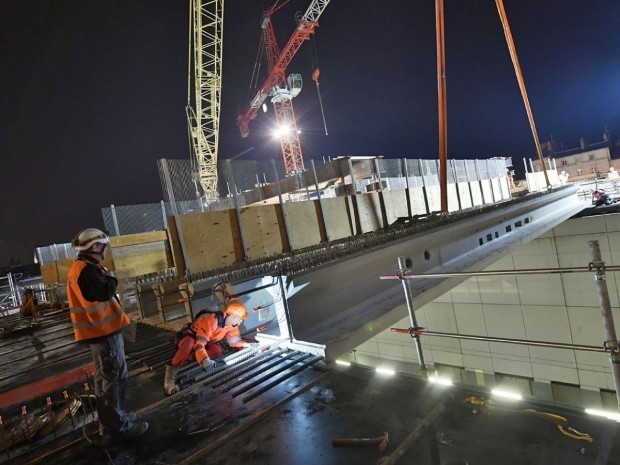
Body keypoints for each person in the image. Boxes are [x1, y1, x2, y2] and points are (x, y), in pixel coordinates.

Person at [66, 228, 148, 442]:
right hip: (104, 333)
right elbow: (104, 293)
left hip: (98, 333)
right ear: (95, 247)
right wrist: (111, 279)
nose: (105, 250)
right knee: (115, 379)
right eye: (103, 246)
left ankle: (110, 421)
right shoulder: (87, 270)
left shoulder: (81, 268)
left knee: (104, 379)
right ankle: (119, 424)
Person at [164, 300, 252, 395]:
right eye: (240, 318)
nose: (241, 321)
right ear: (233, 316)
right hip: (190, 336)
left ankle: (192, 355)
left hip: (206, 341)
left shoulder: (232, 325)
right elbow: (199, 344)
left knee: (217, 351)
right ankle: (169, 378)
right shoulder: (212, 321)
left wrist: (245, 344)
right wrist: (205, 360)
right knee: (189, 344)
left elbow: (234, 341)